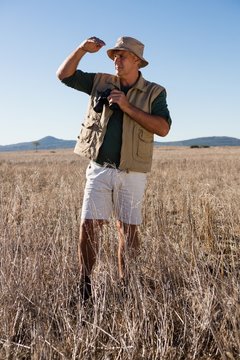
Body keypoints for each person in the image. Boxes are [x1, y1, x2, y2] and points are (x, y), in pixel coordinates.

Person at [56, 36, 171, 302]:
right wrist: (81, 50)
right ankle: (84, 286)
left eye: (123, 56)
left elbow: (163, 128)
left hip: (133, 172)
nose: (116, 60)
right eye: (115, 56)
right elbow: (64, 75)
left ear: (137, 61)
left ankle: (127, 286)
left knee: (127, 230)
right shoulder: (100, 82)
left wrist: (126, 106)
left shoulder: (155, 91)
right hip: (99, 168)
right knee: (89, 226)